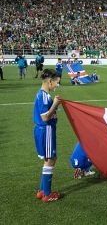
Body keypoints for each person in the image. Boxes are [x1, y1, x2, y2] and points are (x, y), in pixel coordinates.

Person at [33, 69, 62, 202]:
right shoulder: (44, 96)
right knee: (51, 159)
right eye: (57, 82)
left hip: (43, 130)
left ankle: (42, 191)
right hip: (46, 130)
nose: (57, 85)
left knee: (49, 159)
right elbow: (45, 117)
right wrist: (55, 104)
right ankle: (47, 194)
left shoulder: (41, 94)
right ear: (50, 81)